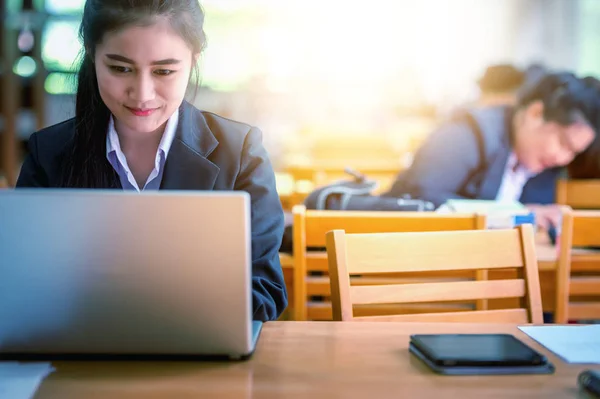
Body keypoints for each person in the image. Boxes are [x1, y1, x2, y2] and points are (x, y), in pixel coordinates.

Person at [16, 0, 287, 322]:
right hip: (80, 360)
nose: (143, 94)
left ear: (193, 61)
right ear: (92, 56)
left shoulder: (241, 153)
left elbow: (264, 292)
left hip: (201, 358)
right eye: (120, 68)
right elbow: (23, 286)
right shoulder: (48, 154)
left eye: (164, 71)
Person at [385, 72, 600, 231]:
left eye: (573, 152)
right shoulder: (466, 134)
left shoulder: (542, 166)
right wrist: (519, 215)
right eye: (562, 142)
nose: (562, 158)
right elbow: (420, 197)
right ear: (535, 113)